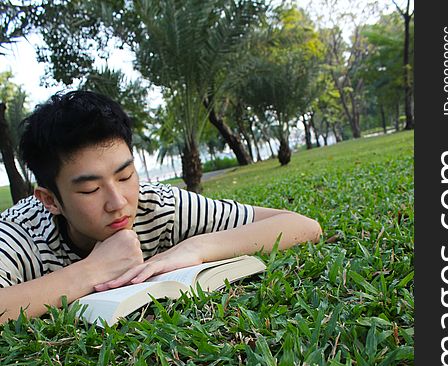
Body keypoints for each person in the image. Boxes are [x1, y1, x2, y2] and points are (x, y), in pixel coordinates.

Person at [0, 91, 322, 323]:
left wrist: (195, 248)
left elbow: (301, 226)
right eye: (90, 189)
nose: (118, 201)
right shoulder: (21, 233)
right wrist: (93, 271)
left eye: (125, 175)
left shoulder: (158, 205)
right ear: (51, 200)